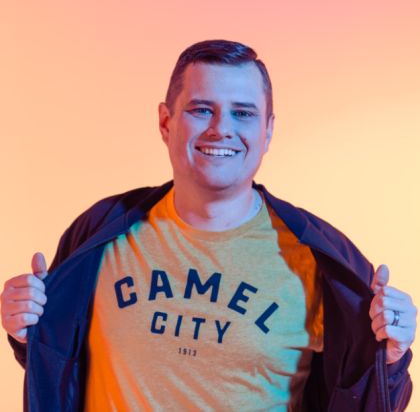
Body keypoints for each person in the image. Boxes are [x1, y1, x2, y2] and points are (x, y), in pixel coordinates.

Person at [1, 40, 416, 412]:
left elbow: (366, 399)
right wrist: (27, 330)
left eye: (243, 113)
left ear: (268, 130)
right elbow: (61, 363)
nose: (222, 129)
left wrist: (390, 359)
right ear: (166, 122)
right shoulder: (99, 233)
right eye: (202, 110)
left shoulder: (324, 257)